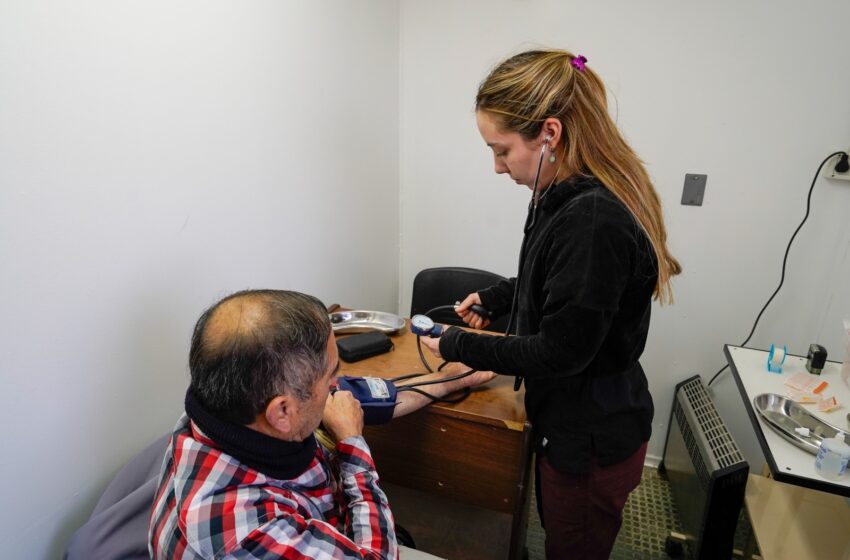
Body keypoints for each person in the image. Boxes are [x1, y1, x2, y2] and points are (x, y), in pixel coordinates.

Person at [420, 49, 681, 559]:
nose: (496, 167)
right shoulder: (567, 193)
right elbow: (553, 277)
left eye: (501, 150)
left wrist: (460, 344)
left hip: (590, 437)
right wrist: (497, 296)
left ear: (550, 135)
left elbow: (560, 352)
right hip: (577, 419)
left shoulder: (593, 219)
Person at [149, 289, 494, 559]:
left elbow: (357, 398)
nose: (340, 383)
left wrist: (450, 380)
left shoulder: (223, 404)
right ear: (282, 413)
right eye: (332, 376)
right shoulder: (246, 531)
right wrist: (352, 443)